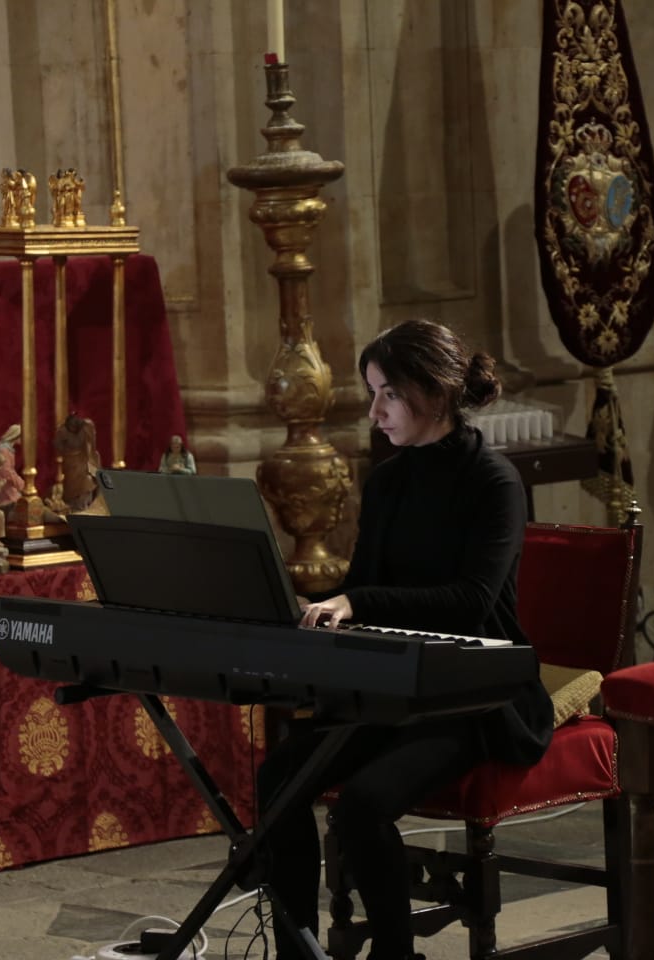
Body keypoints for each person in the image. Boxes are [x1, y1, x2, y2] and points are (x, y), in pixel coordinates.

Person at [257, 319, 554, 960]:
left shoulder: (494, 482)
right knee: (279, 777)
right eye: (373, 393)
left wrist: (356, 600)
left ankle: (395, 954)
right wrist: (310, 607)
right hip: (396, 686)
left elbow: (472, 603)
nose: (375, 411)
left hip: (477, 695)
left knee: (363, 805)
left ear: (434, 392)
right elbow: (362, 585)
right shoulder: (388, 480)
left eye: (387, 393)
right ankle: (296, 952)